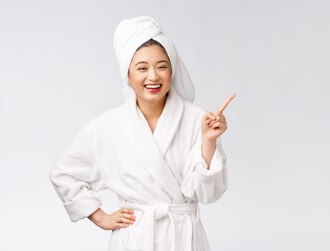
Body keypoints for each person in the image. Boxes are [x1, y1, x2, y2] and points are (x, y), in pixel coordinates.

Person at [49, 16, 234, 251]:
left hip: (183, 238)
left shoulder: (197, 119)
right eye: (142, 68)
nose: (153, 77)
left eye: (162, 66)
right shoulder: (109, 125)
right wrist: (99, 217)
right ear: (128, 75)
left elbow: (208, 194)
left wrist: (209, 141)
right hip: (135, 239)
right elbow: (64, 173)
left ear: (172, 71)